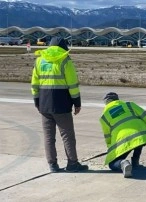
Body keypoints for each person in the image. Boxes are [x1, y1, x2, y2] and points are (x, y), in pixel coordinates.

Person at [31, 36, 88, 172]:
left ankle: (52, 164)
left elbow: (34, 84)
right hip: (61, 104)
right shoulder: (65, 61)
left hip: (44, 104)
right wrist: (77, 103)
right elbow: (72, 85)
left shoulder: (39, 60)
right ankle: (72, 164)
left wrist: (37, 101)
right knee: (67, 136)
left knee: (49, 137)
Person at [99, 92, 146, 178]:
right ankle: (135, 162)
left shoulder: (104, 117)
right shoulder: (130, 105)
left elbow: (108, 137)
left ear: (106, 103)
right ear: (117, 99)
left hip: (123, 141)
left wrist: (111, 150)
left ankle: (122, 163)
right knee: (138, 138)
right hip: (140, 136)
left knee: (112, 164)